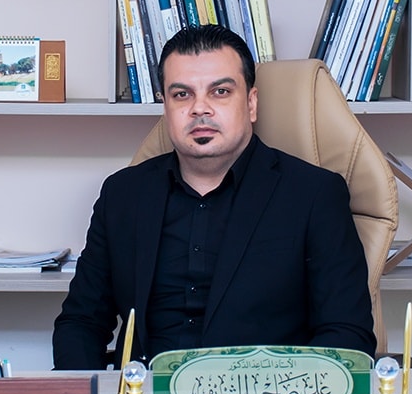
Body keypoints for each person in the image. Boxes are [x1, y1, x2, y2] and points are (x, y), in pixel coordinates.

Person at [52, 24, 376, 369]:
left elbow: (346, 334)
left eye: (220, 92)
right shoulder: (123, 194)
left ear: (251, 103)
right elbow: (81, 322)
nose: (200, 109)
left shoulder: (314, 194)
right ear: (165, 107)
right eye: (182, 94)